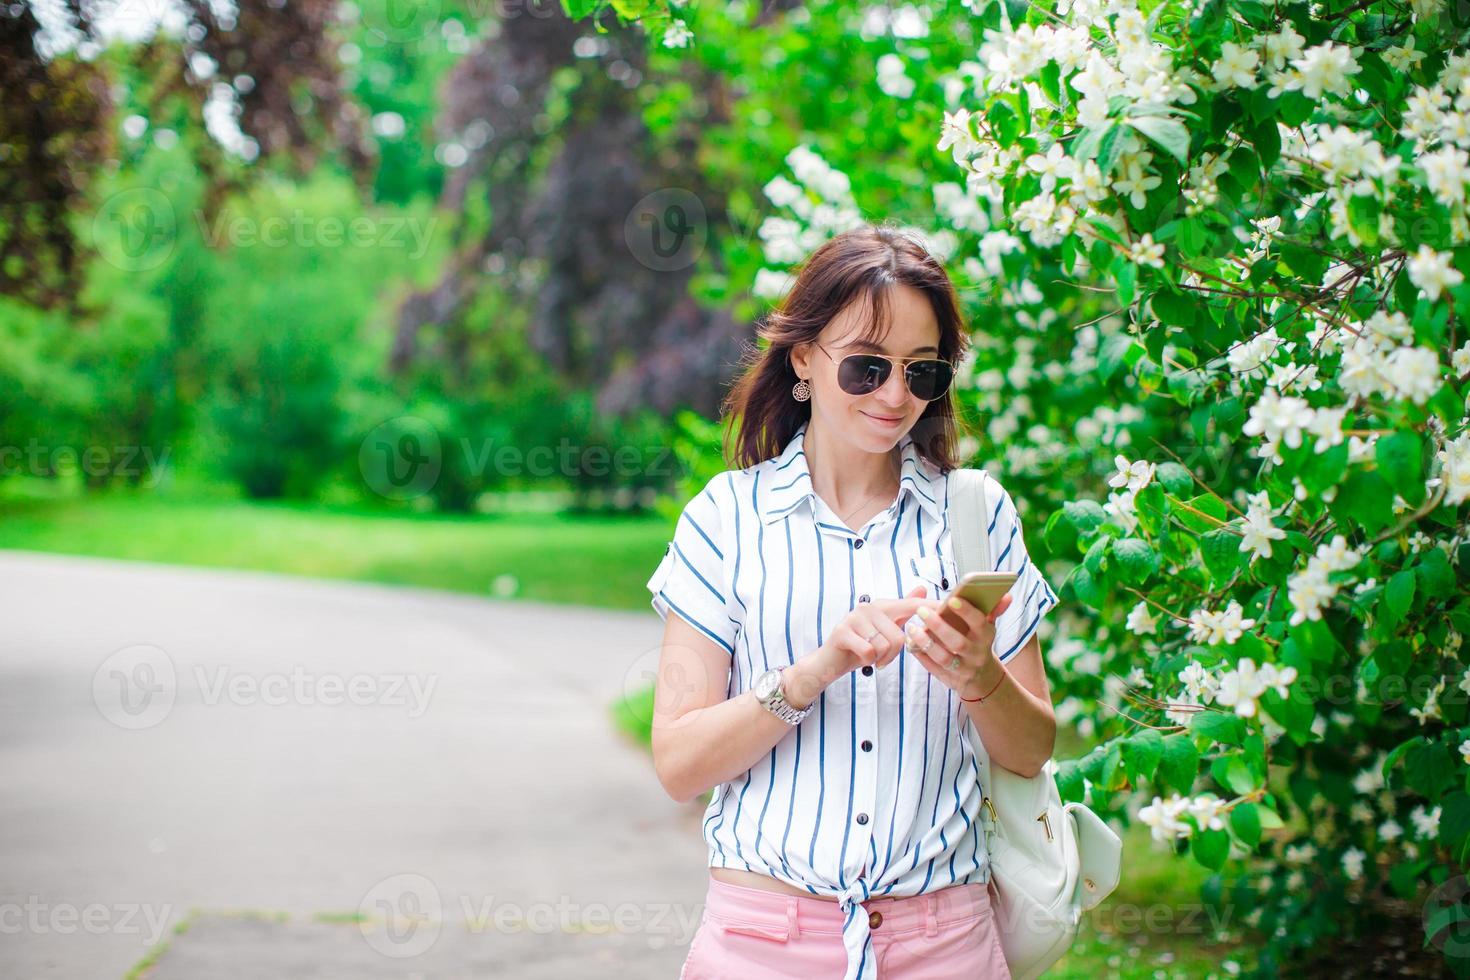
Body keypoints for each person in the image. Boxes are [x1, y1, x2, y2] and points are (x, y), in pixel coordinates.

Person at [646, 223, 1059, 979]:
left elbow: (1032, 749)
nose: (897, 396)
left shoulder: (977, 514)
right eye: (867, 368)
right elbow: (678, 763)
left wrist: (980, 677)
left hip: (946, 945)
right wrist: (813, 672)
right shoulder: (726, 519)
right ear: (803, 358)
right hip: (760, 945)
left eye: (922, 372)